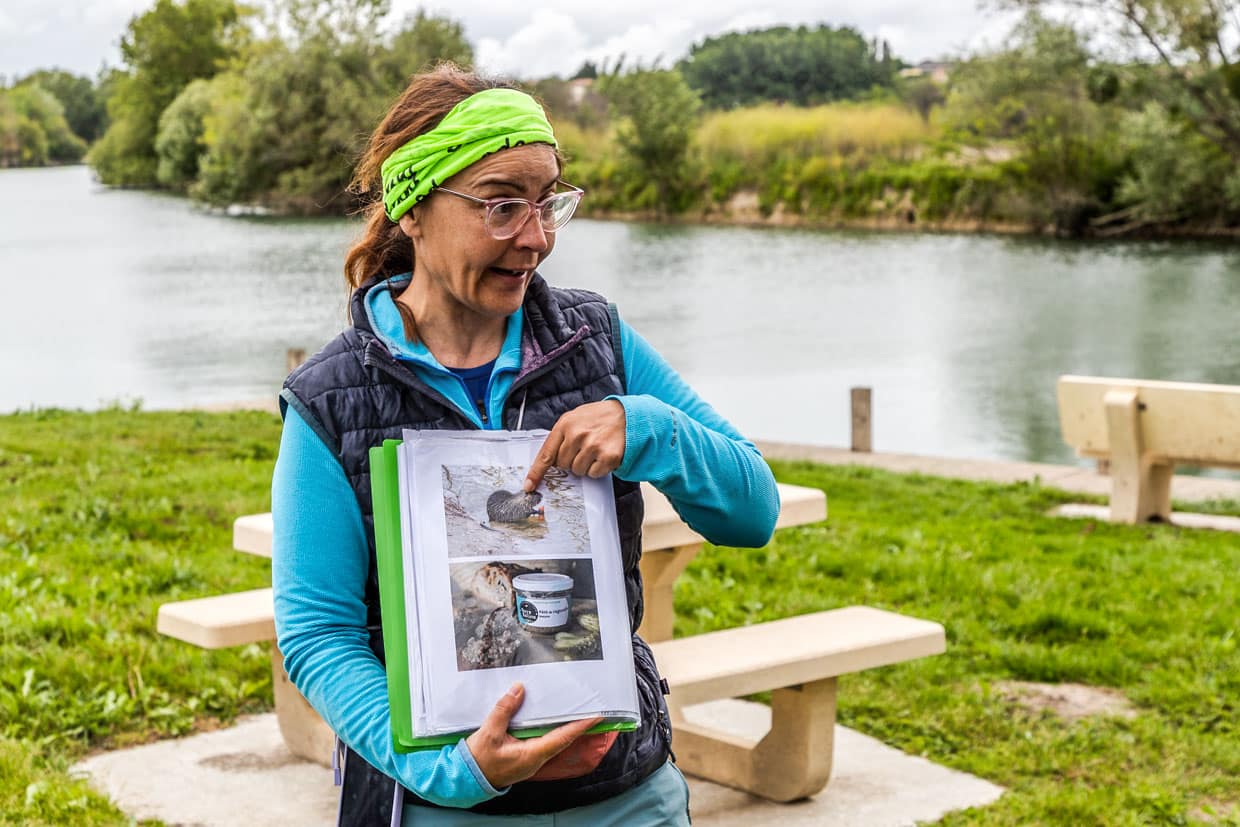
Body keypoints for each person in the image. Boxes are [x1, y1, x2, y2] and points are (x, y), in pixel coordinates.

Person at [271, 63, 780, 826]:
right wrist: (453, 770)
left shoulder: (597, 339)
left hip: (627, 800)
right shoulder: (328, 397)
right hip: (440, 809)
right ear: (413, 207)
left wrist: (647, 428)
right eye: (501, 205)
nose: (536, 238)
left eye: (548, 203)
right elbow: (318, 635)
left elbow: (754, 510)